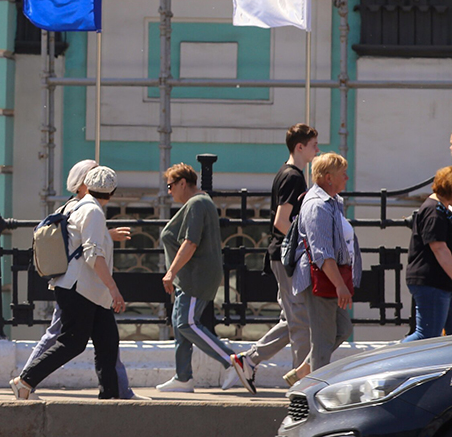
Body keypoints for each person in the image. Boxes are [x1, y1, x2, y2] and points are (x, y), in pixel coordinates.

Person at [20, 159, 137, 399]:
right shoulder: (93, 210)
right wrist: (114, 289)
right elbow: (92, 253)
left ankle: (111, 397)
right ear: (112, 192)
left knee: (107, 343)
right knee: (72, 342)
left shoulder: (76, 206)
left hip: (87, 290)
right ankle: (25, 381)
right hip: (81, 288)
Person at [227, 124, 318, 389]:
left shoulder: (286, 173)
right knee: (300, 320)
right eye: (313, 144)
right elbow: (281, 221)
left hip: (281, 255)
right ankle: (303, 383)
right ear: (299, 147)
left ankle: (248, 360)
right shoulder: (293, 177)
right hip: (286, 256)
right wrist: (307, 243)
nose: (317, 149)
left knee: (291, 318)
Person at [156, 163, 255, 394]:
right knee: (180, 326)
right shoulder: (197, 203)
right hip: (188, 276)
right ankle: (183, 378)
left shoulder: (197, 203)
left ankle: (232, 361)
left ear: (183, 183)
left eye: (170, 186)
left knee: (186, 323)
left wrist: (170, 272)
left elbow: (190, 243)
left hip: (195, 276)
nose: (169, 191)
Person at [290, 152, 361, 377]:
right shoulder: (317, 206)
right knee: (324, 339)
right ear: (329, 178)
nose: (347, 178)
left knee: (342, 329)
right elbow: (321, 253)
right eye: (343, 174)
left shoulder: (334, 202)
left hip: (333, 277)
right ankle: (313, 392)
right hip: (322, 279)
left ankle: (305, 371)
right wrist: (340, 285)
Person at [402, 167, 452, 342]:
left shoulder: (441, 209)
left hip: (441, 282)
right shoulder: (434, 212)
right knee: (426, 335)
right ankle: (390, 360)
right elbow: (439, 248)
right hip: (432, 282)